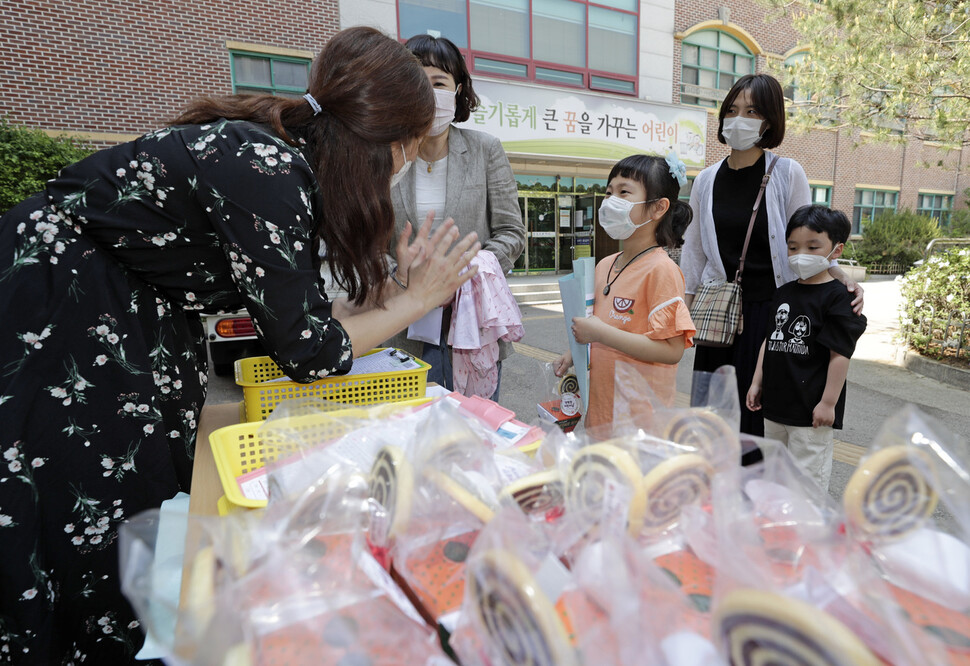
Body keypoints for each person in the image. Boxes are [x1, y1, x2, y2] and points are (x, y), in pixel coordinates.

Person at [0, 26, 480, 663]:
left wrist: (399, 289)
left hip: (112, 311)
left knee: (109, 515)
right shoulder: (269, 168)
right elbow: (310, 352)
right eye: (408, 149)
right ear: (379, 141)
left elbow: (301, 314)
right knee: (73, 516)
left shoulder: (278, 156)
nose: (400, 169)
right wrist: (417, 301)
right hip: (66, 314)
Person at [680, 73, 863, 438]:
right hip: (720, 310)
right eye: (732, 110)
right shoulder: (706, 180)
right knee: (712, 416)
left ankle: (753, 491)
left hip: (771, 312)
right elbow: (695, 251)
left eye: (752, 111)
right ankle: (714, 489)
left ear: (769, 120)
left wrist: (842, 278)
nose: (738, 119)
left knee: (756, 416)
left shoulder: (786, 173)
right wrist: (682, 314)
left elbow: (810, 238)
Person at [384, 34, 526, 399]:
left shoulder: (485, 149)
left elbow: (511, 231)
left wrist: (465, 274)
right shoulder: (382, 155)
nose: (428, 92)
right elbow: (366, 240)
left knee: (474, 433)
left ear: (458, 89)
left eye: (439, 82)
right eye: (417, 81)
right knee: (412, 437)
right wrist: (402, 275)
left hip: (474, 326)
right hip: (400, 324)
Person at [554, 153, 695, 432]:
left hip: (639, 423)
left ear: (658, 208)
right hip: (601, 413)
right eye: (608, 192)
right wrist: (576, 353)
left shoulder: (661, 270)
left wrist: (598, 334)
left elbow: (672, 350)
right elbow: (601, 325)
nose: (610, 201)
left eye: (623, 192)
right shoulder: (606, 264)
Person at [746, 205, 868, 490]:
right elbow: (770, 339)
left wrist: (828, 403)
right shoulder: (783, 292)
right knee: (774, 475)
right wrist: (756, 381)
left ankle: (807, 532)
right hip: (775, 405)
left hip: (810, 411)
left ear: (836, 251)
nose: (801, 254)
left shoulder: (839, 299)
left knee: (806, 480)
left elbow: (840, 355)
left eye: (813, 247)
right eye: (793, 247)